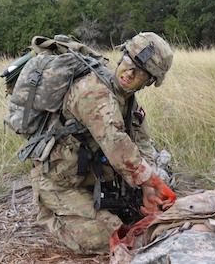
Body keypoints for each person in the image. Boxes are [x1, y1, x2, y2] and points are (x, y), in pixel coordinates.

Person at [29, 32, 176, 255]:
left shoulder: (128, 101)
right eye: (128, 62)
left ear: (148, 82)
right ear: (121, 56)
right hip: (61, 183)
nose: (129, 73)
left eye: (141, 73)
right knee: (110, 237)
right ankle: (49, 212)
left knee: (139, 215)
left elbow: (143, 142)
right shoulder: (93, 90)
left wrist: (147, 186)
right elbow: (116, 144)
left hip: (94, 177)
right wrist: (152, 182)